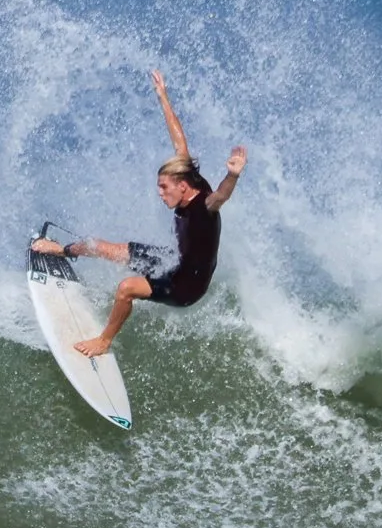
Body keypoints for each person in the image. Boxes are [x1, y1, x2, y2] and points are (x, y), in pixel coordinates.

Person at [30, 70, 247, 357]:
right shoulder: (187, 176)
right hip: (175, 261)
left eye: (163, 187)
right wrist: (163, 97)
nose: (160, 193)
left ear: (182, 187)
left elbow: (221, 196)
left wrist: (232, 175)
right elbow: (179, 141)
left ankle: (103, 341)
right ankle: (62, 251)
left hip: (186, 286)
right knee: (97, 245)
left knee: (126, 288)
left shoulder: (204, 204)